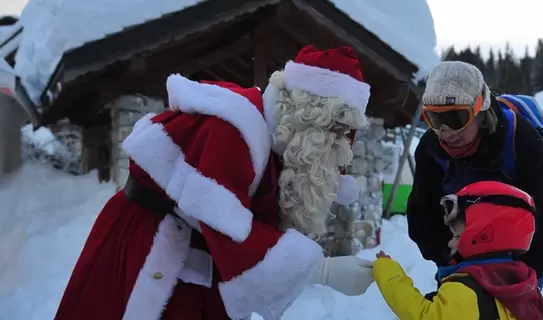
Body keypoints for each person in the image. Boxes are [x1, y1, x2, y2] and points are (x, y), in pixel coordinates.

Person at [54, 45, 374, 320]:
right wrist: (323, 271)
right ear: (311, 116)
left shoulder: (280, 144)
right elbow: (229, 231)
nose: (342, 144)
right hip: (149, 252)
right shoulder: (234, 130)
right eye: (338, 131)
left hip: (193, 263)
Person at [406, 61, 543, 288]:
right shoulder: (431, 148)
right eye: (434, 119)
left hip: (519, 264)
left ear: (480, 110)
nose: (445, 132)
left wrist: (517, 280)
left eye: (455, 118)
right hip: (458, 262)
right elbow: (423, 218)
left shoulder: (522, 141)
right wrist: (450, 261)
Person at [374, 181, 543, 320]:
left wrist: (388, 273)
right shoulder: (520, 285)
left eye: (457, 237)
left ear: (485, 236)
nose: (450, 243)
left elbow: (424, 315)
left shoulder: (468, 290)